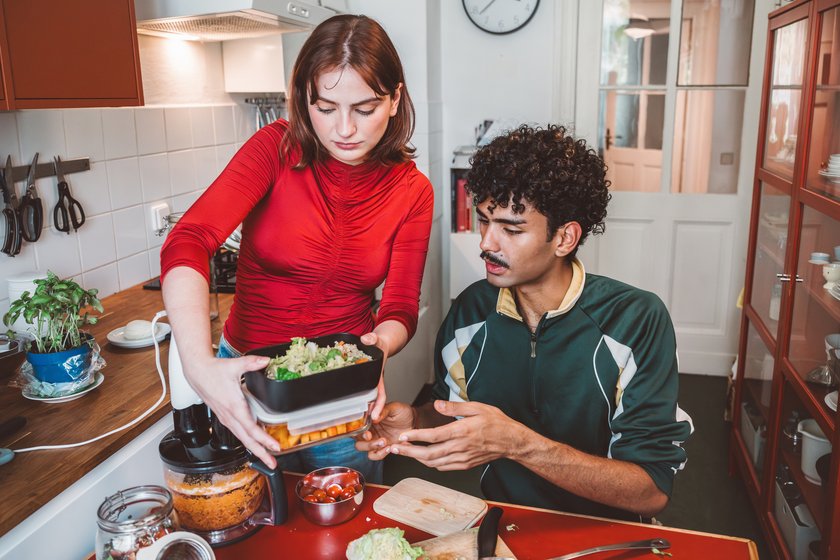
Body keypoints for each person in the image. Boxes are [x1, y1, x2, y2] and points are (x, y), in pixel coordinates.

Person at [356, 124, 694, 521]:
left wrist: (519, 444)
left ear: (565, 238)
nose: (486, 242)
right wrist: (415, 421)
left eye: (511, 229)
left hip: (604, 534)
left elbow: (651, 490)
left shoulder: (635, 320)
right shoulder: (470, 311)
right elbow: (453, 412)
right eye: (484, 221)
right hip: (502, 527)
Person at [160, 14, 434, 482]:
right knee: (255, 524)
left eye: (364, 109)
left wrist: (375, 352)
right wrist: (199, 365)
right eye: (325, 107)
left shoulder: (412, 192)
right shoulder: (275, 149)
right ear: (304, 97)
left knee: (341, 527)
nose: (343, 128)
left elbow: (400, 307)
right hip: (248, 387)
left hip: (343, 393)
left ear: (395, 99)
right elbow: (189, 240)